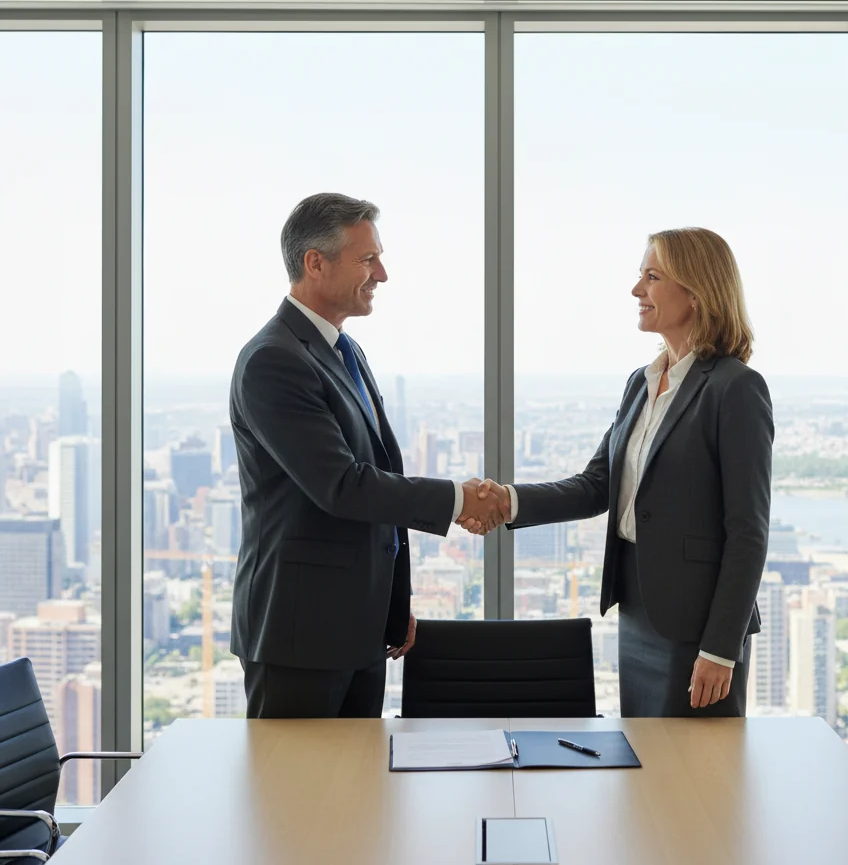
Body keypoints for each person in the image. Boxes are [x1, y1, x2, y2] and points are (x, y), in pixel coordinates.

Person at [470, 227, 773, 717]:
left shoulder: (735, 389)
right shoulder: (642, 382)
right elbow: (595, 486)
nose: (637, 291)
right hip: (638, 611)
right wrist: (507, 501)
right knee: (643, 768)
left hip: (699, 626)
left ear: (695, 293)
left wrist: (721, 648)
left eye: (651, 277)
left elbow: (748, 533)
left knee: (694, 779)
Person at [229, 193, 503, 719]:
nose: (382, 273)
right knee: (298, 796)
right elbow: (343, 486)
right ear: (315, 262)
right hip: (299, 637)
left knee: (356, 794)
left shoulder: (343, 349)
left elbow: (379, 479)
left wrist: (393, 606)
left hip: (358, 628)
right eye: (367, 259)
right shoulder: (273, 361)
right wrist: (458, 498)